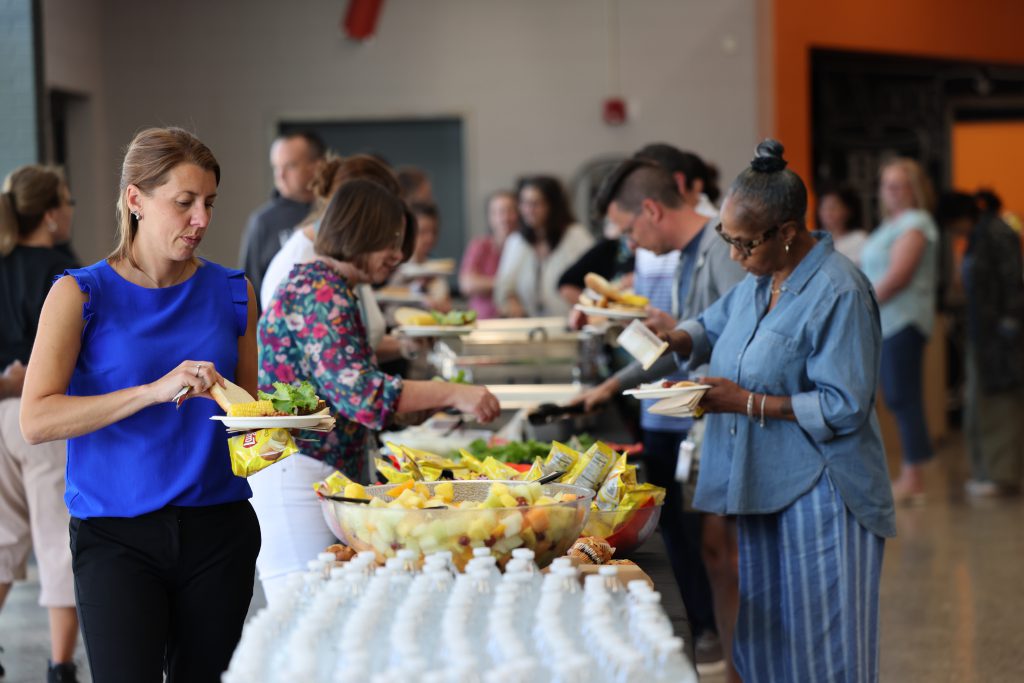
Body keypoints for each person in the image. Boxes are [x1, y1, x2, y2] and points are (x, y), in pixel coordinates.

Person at [20, 127, 261, 683]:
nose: (201, 219)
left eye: (209, 204)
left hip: (218, 531)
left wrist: (284, 427)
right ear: (136, 200)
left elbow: (248, 423)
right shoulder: (79, 293)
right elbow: (36, 420)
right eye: (184, 203)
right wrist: (153, 391)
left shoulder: (234, 290)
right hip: (115, 537)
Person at [662, 139, 895, 681]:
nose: (734, 256)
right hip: (765, 481)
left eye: (743, 244)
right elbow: (713, 323)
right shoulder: (762, 279)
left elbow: (844, 405)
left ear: (787, 232)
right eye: (727, 240)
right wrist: (671, 337)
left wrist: (741, 402)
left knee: (826, 652)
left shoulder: (839, 291)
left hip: (825, 489)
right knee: (768, 643)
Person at [256, 179, 500, 603]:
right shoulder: (320, 292)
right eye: (390, 241)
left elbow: (338, 389)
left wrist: (414, 409)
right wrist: (451, 394)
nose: (398, 256)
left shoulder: (332, 286)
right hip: (297, 472)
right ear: (358, 232)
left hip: (321, 468)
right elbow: (362, 394)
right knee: (308, 615)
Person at [573, 156, 744, 676]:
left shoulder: (719, 252)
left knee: (725, 554)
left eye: (630, 231)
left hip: (733, 421)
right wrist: (614, 384)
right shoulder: (693, 255)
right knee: (712, 550)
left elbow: (739, 342)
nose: (632, 246)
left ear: (651, 209)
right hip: (709, 421)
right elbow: (689, 339)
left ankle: (740, 664)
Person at [0, 165, 80, 683]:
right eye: (68, 201)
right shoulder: (62, 272)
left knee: (2, 541)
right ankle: (59, 668)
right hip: (45, 418)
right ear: (51, 215)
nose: (72, 209)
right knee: (59, 546)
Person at [260, 153, 402, 362]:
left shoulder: (348, 260)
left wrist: (406, 345)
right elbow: (349, 380)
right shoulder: (303, 268)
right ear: (358, 212)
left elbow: (356, 343)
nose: (397, 253)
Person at [860, 158, 939, 504]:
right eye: (885, 185)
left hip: (903, 320)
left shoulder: (916, 222)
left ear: (914, 189)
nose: (890, 192)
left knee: (903, 396)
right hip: (885, 322)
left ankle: (914, 478)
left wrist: (859, 302)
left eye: (898, 185)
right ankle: (910, 473)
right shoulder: (888, 225)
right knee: (895, 395)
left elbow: (899, 276)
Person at [937, 191, 1024, 497]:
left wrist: (1009, 327)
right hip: (983, 336)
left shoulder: (997, 233)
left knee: (1000, 406)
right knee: (979, 405)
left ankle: (1002, 475)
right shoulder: (979, 236)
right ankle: (988, 471)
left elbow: (1013, 283)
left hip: (1000, 339)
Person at [239, 131, 325, 304]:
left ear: (317, 166)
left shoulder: (332, 212)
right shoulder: (263, 221)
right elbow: (249, 287)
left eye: (290, 166)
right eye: (276, 167)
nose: (280, 175)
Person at [494, 175, 594, 317]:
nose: (528, 210)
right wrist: (512, 301)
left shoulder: (575, 236)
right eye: (524, 203)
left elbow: (593, 282)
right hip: (529, 326)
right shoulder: (516, 241)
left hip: (570, 323)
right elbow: (504, 287)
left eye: (535, 204)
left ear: (552, 205)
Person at [459, 190, 517, 319]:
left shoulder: (525, 247)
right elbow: (467, 284)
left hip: (517, 320)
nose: (505, 218)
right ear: (490, 217)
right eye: (499, 212)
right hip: (483, 321)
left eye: (510, 211)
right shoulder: (480, 245)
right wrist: (506, 285)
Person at [391, 201, 452, 312]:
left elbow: (446, 305)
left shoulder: (436, 267)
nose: (429, 238)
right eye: (423, 232)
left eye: (433, 232)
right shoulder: (396, 267)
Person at [817, 184, 868, 264]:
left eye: (833, 208)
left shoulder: (859, 239)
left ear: (848, 210)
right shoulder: (816, 242)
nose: (827, 213)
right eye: (824, 208)